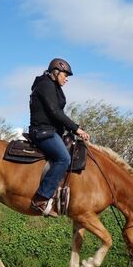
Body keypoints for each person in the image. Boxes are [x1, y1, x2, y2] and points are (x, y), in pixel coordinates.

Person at [28, 58, 90, 217]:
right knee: (64, 158)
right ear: (56, 72)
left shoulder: (52, 86)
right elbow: (55, 112)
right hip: (42, 132)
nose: (67, 78)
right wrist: (77, 129)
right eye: (65, 75)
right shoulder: (45, 85)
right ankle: (41, 198)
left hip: (51, 131)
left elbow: (57, 114)